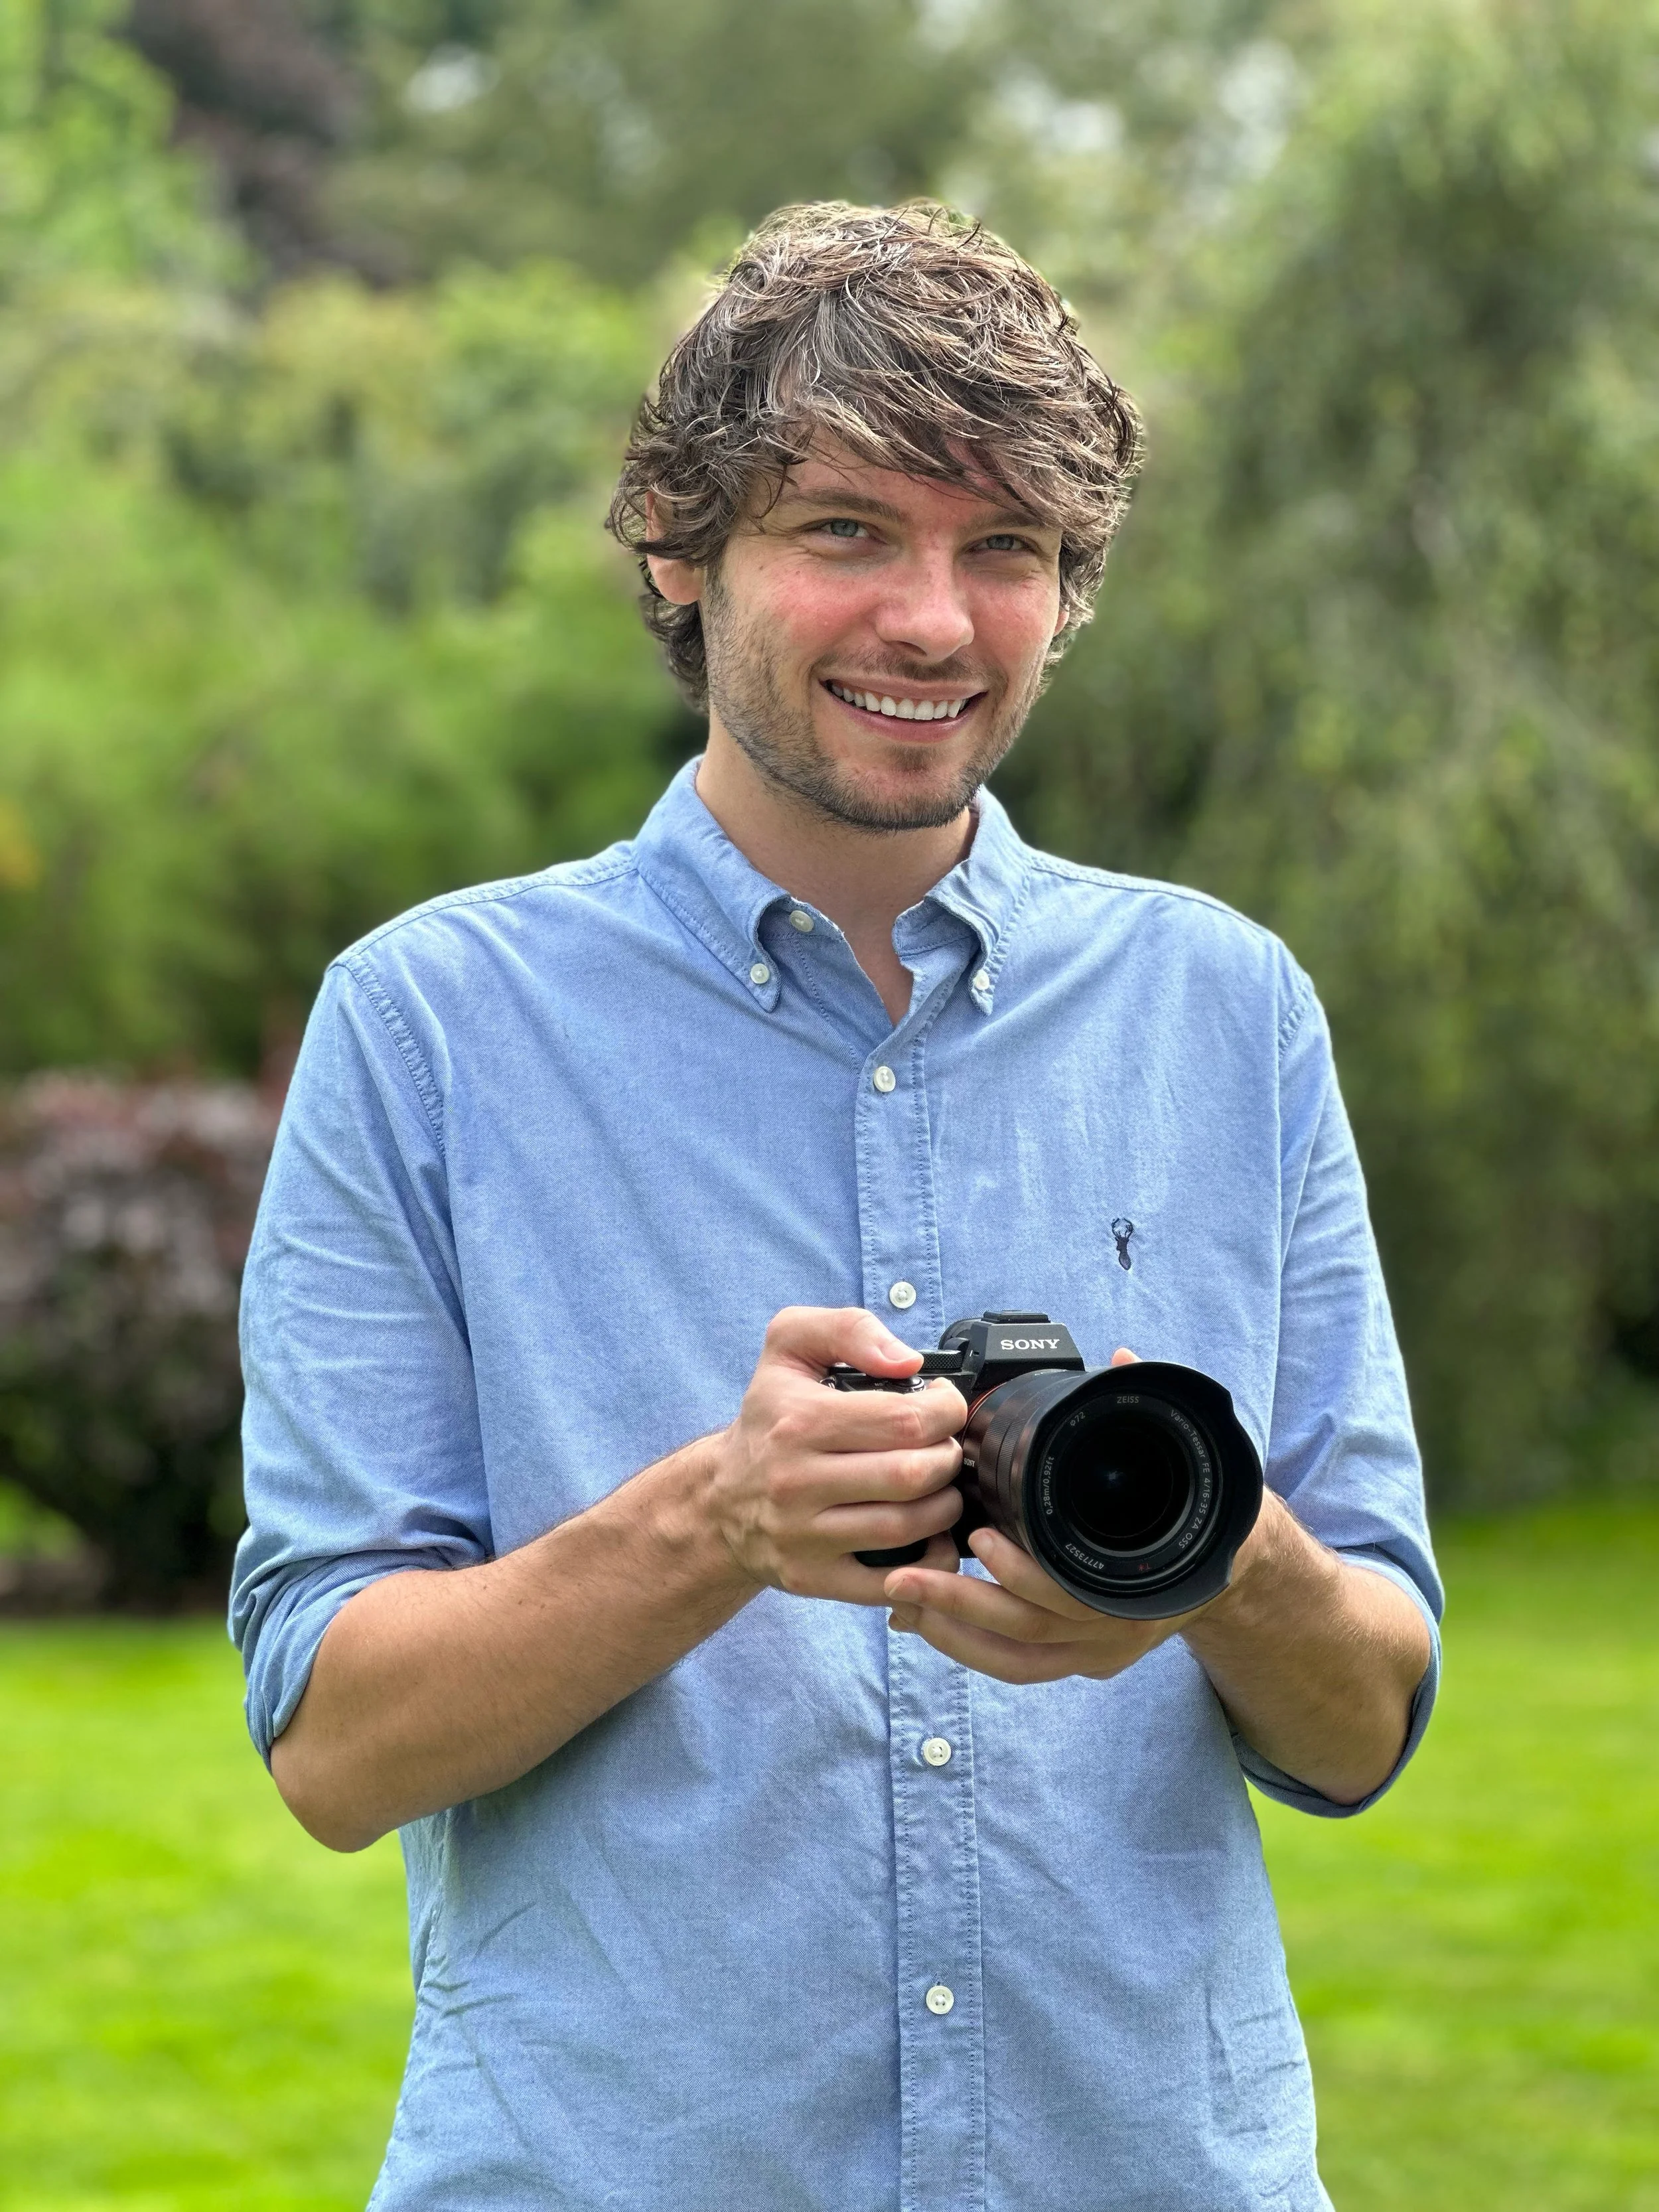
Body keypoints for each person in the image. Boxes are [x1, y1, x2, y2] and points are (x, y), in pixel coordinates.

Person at [232, 200, 1441, 2212]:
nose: (935, 620)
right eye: (848, 530)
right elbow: (333, 1750)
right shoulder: (429, 1024)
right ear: (679, 555)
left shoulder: (1222, 1009)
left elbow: (1361, 1719)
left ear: (1069, 595)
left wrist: (1205, 1554)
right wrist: (715, 1518)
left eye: (1007, 551)